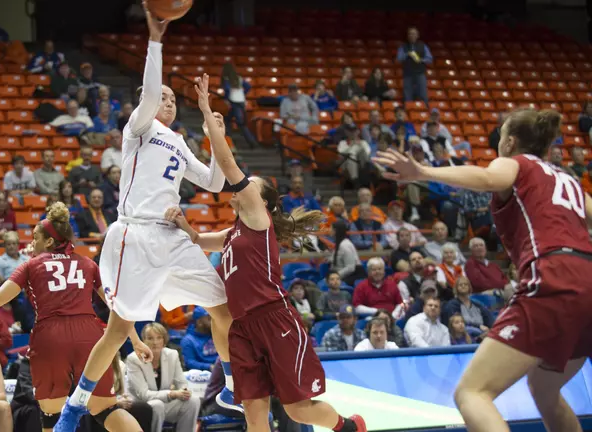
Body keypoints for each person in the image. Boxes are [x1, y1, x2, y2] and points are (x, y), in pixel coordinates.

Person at [55, 7, 238, 430]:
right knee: (119, 331)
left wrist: (216, 135)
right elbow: (152, 97)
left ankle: (229, 386)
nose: (168, 103)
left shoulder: (177, 141)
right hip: (135, 235)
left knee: (223, 306)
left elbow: (213, 182)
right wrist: (155, 40)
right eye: (163, 98)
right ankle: (76, 405)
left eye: (174, 99)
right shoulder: (138, 129)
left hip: (171, 238)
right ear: (147, 102)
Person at [164, 73, 367, 432]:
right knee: (254, 415)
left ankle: (347, 427)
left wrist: (208, 112)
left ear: (263, 201)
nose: (244, 184)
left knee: (298, 410)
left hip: (273, 318)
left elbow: (227, 167)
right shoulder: (234, 231)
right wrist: (184, 226)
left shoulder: (259, 222)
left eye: (251, 183)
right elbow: (199, 240)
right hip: (243, 328)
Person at [373, 108, 592, 432]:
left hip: (552, 274)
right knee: (545, 389)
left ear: (510, 141)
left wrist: (422, 171)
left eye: (501, 135)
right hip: (587, 278)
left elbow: (490, 179)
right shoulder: (571, 182)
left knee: (471, 393)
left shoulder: (516, 162)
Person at [0, 202, 150, 432]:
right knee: (106, 409)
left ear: (49, 242)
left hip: (51, 336)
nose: (31, 243)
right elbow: (117, 306)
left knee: (51, 417)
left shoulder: (31, 266)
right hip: (90, 335)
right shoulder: (87, 264)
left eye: (35, 237)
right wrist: (135, 340)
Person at [126, 323, 200, 432]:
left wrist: (184, 391)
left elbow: (182, 382)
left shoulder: (172, 355)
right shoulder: (134, 359)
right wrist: (171, 394)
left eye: (159, 337)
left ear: (164, 340)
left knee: (193, 401)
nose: (155, 342)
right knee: (158, 405)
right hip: (142, 405)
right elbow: (143, 394)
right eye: (150, 338)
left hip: (164, 403)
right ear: (143, 341)